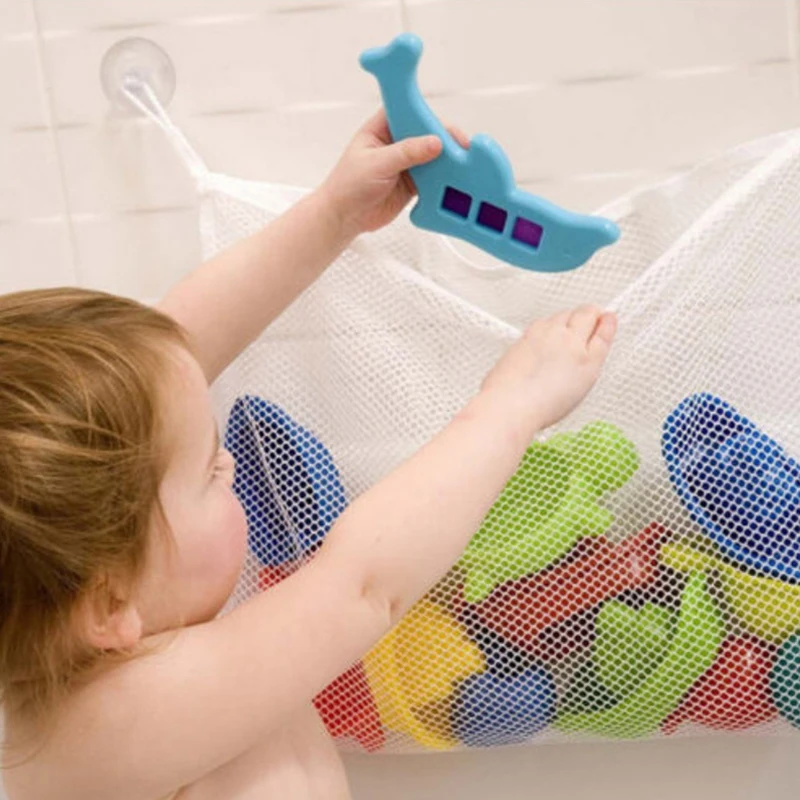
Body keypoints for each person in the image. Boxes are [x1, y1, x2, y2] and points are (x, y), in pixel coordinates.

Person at [0, 110, 616, 800]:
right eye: (207, 473)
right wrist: (511, 406)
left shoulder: (96, 628)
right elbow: (360, 587)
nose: (229, 465)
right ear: (110, 602)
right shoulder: (106, 732)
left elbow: (173, 357)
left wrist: (333, 215)